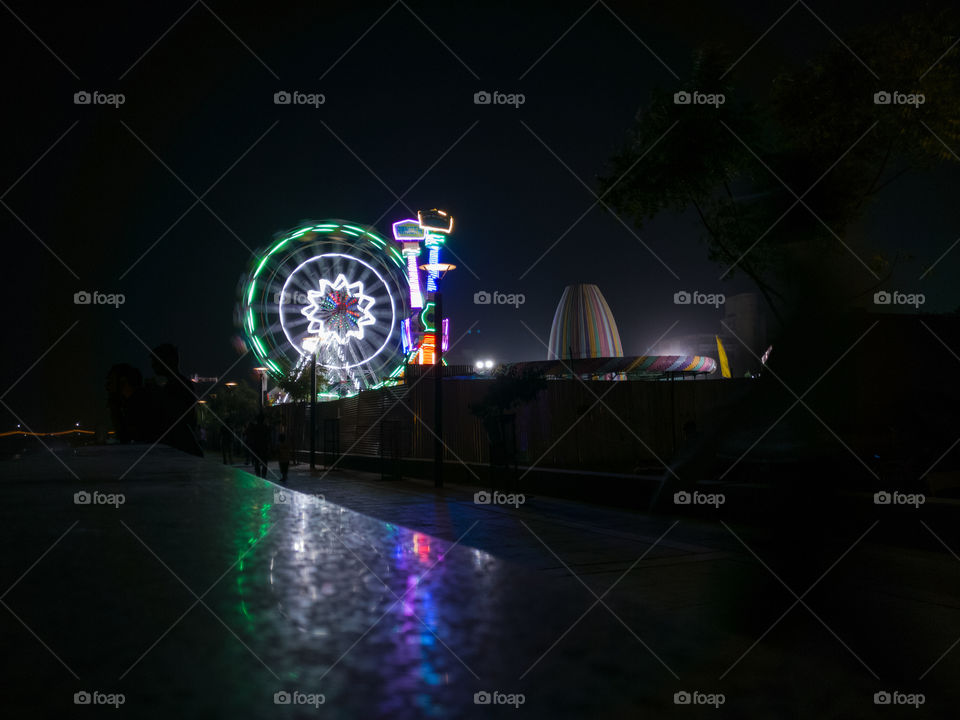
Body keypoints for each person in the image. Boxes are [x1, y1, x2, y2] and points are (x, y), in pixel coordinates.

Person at [146, 343, 203, 457]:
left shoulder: (174, 386)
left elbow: (173, 416)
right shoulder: (181, 384)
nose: (153, 366)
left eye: (156, 362)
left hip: (180, 448)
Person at [248, 414, 270, 478]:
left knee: (257, 462)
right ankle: (263, 474)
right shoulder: (265, 427)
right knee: (264, 462)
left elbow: (251, 436)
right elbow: (268, 437)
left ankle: (258, 474)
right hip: (263, 447)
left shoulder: (254, 427)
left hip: (256, 447)